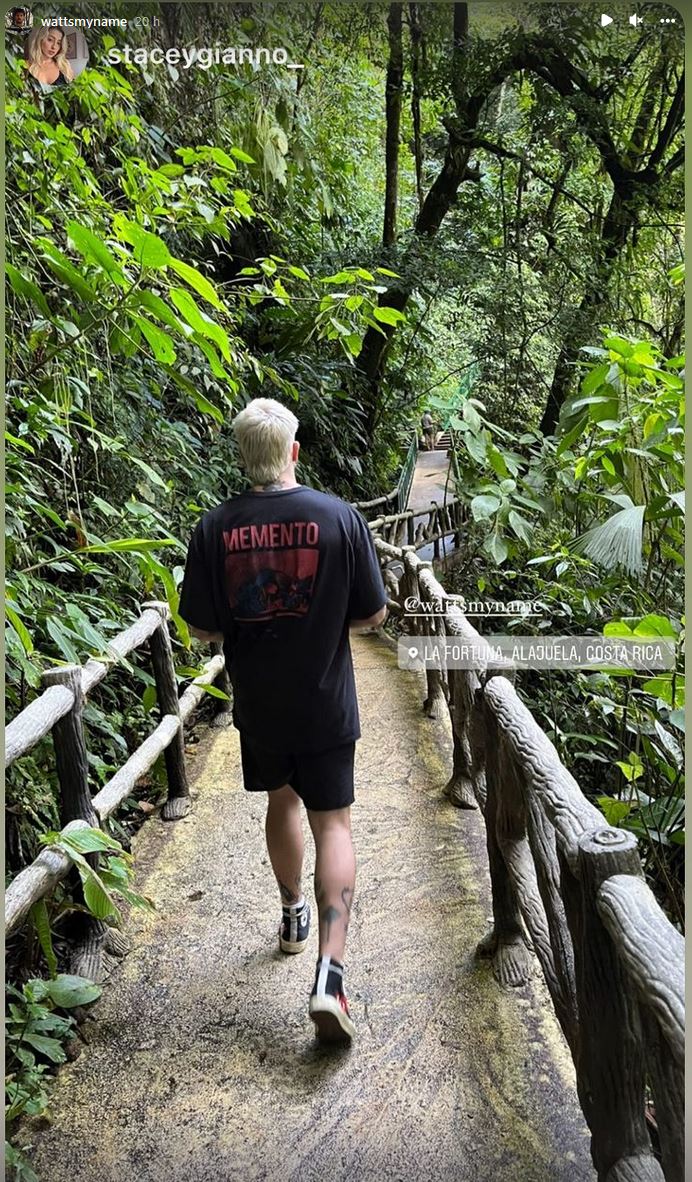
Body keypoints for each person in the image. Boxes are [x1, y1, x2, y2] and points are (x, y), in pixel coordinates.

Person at [179, 398, 387, 1044]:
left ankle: (292, 915)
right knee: (336, 824)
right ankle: (330, 975)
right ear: (293, 450)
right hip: (326, 700)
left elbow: (203, 627)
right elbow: (373, 615)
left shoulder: (214, 529)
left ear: (244, 457)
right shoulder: (340, 518)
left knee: (282, 802)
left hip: (261, 705)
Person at [24, 25, 74, 90]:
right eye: (50, 40)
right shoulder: (26, 65)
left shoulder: (65, 68)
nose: (54, 47)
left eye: (58, 43)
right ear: (40, 39)